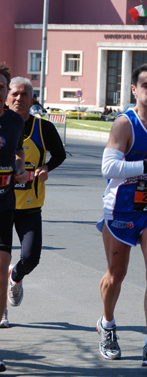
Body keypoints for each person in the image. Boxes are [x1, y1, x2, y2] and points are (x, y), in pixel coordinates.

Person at [97, 63, 147, 365]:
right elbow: (107, 168)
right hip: (121, 208)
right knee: (115, 276)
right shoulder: (125, 124)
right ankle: (107, 325)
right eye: (146, 84)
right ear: (134, 90)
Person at [0, 77, 66, 328]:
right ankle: (2, 311)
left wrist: (46, 167)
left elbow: (59, 153)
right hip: (3, 203)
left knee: (31, 257)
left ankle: (14, 277)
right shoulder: (4, 124)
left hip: (29, 204)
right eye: (15, 94)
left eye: (25, 94)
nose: (19, 98)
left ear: (32, 98)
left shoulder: (43, 128)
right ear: (8, 97)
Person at [0, 64, 28, 370]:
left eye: (1, 87)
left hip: (4, 204)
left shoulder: (13, 122)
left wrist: (19, 168)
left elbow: (18, 151)